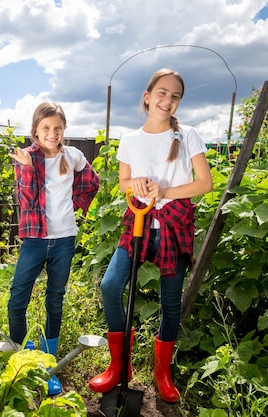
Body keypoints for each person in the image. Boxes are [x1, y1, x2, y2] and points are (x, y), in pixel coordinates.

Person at [88, 68, 212, 402]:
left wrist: (165, 189)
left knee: (170, 303)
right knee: (110, 286)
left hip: (173, 226)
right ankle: (120, 366)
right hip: (139, 223)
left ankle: (162, 372)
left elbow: (204, 183)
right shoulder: (130, 140)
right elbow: (123, 183)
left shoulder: (188, 135)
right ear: (147, 95)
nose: (167, 100)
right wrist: (138, 184)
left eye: (175, 96)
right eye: (161, 93)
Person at [7, 101, 100, 396]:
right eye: (46, 128)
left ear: (64, 129)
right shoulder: (26, 157)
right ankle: (22, 355)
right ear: (35, 129)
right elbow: (28, 201)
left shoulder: (72, 156)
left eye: (57, 128)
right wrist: (24, 169)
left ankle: (48, 363)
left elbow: (91, 182)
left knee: (55, 299)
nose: (52, 133)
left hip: (64, 240)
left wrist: (73, 205)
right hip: (35, 241)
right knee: (17, 297)